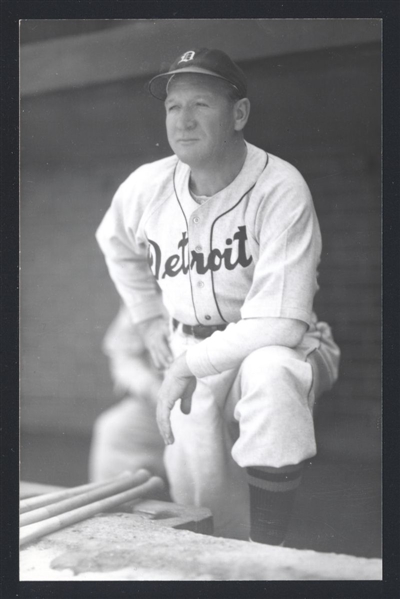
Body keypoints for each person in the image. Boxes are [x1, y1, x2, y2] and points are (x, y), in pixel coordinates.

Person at [95, 48, 340, 544]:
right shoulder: (146, 187)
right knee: (205, 511)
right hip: (189, 345)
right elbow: (114, 243)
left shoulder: (281, 186)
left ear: (239, 114)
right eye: (172, 107)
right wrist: (145, 317)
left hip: (275, 346)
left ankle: (268, 552)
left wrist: (185, 367)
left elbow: (282, 323)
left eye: (200, 104)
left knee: (273, 370)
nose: (182, 120)